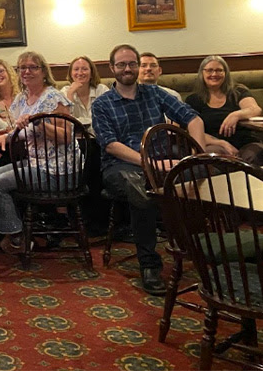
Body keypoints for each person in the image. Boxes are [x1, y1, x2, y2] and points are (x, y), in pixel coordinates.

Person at [92, 44, 205, 295]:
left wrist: (197, 153)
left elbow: (194, 119)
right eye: (121, 65)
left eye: (132, 63)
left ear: (139, 66)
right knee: (141, 192)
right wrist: (150, 164)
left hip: (163, 164)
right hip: (120, 167)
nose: (127, 68)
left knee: (206, 174)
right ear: (112, 69)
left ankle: (203, 250)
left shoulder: (155, 93)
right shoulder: (102, 104)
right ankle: (150, 265)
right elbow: (110, 145)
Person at [0, 51, 73, 255]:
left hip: (58, 170)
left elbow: (67, 136)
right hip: (34, 164)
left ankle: (17, 237)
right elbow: (20, 129)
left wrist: (39, 124)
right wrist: (6, 136)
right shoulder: (21, 99)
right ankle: (15, 233)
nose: (26, 71)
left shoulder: (54, 98)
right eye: (22, 68)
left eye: (32, 67)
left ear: (43, 71)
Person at [186, 55, 263, 163]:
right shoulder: (194, 100)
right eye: (209, 70)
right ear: (201, 73)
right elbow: (192, 131)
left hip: (246, 143)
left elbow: (255, 109)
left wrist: (235, 115)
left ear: (225, 73)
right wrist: (222, 143)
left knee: (254, 155)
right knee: (213, 157)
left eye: (219, 70)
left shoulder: (238, 91)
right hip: (214, 144)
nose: (214, 74)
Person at [61, 56, 109, 132]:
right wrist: (70, 94)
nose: (80, 73)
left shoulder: (101, 90)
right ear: (71, 74)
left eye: (84, 69)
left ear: (92, 73)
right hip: (75, 140)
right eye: (76, 69)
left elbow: (108, 118)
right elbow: (63, 122)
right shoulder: (65, 91)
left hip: (100, 138)